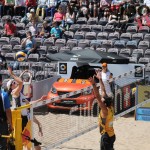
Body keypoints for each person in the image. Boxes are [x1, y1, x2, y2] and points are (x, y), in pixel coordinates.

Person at [88, 75, 116, 150]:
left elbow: (97, 97)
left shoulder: (105, 111)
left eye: (103, 100)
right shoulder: (111, 107)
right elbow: (103, 91)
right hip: (112, 135)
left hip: (106, 136)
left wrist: (93, 84)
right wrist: (100, 79)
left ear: (105, 104)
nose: (101, 99)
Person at [0, 74, 13, 150]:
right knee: (3, 145)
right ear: (1, 82)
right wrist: (10, 124)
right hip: (2, 124)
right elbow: (8, 111)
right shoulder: (4, 95)